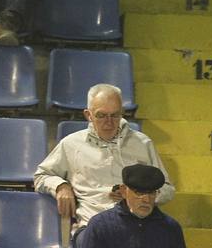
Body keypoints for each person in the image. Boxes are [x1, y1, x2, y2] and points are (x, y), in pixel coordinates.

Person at [34, 82, 173, 231]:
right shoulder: (71, 144)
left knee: (169, 234)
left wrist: (136, 195)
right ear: (88, 115)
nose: (109, 122)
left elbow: (167, 189)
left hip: (137, 225)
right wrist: (61, 186)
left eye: (114, 115)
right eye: (101, 115)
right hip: (92, 226)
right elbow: (41, 176)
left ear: (122, 113)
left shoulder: (142, 144)